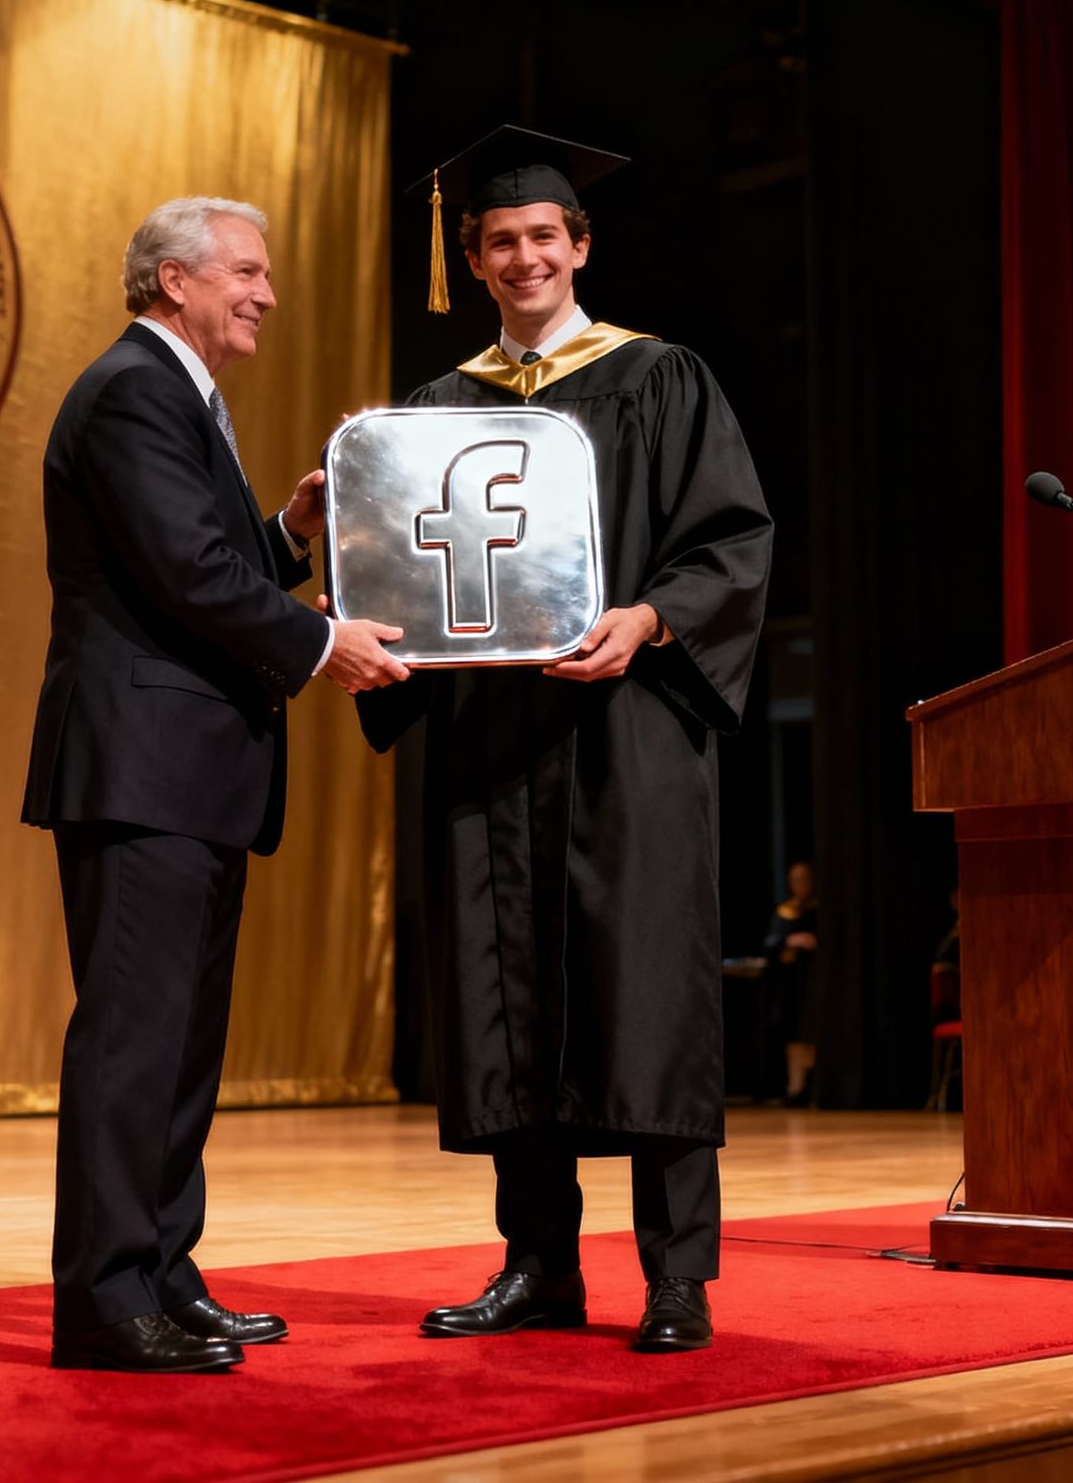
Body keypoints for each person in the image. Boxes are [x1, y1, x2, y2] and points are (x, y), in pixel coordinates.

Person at [357, 128, 773, 1353]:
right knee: (509, 995)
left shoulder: (659, 378)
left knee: (647, 995)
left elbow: (730, 542)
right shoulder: (436, 411)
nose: (523, 256)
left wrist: (649, 618)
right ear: (474, 261)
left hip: (628, 726)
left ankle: (677, 1275)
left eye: (543, 235)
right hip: (492, 736)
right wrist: (369, 618)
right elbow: (408, 571)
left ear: (580, 246)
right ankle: (537, 1263)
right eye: (500, 241)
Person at [21, 196, 408, 1373]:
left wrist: (285, 533)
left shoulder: (177, 393)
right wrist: (320, 640)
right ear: (174, 279)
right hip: (142, 768)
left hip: (187, 773)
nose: (267, 293)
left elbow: (201, 558)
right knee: (134, 1043)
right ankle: (104, 1301)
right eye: (245, 271)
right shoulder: (134, 390)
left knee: (180, 1048)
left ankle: (162, 1275)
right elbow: (184, 573)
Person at [763, 860, 819, 1105]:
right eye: (796, 879)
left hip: (813, 981)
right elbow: (770, 943)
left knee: (812, 1032)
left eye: (805, 878)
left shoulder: (820, 910)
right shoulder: (785, 911)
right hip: (791, 983)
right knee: (793, 1032)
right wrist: (790, 941)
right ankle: (795, 1088)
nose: (801, 884)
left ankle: (813, 1088)